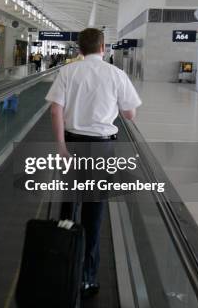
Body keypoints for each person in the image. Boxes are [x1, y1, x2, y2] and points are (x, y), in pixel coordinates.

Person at [45, 28, 141, 299]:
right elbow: (130, 114)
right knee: (93, 211)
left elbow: (55, 109)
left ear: (79, 49)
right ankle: (86, 277)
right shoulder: (116, 74)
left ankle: (61, 266)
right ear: (103, 47)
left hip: (72, 144)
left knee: (68, 205)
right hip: (102, 147)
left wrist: (61, 145)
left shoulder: (68, 72)